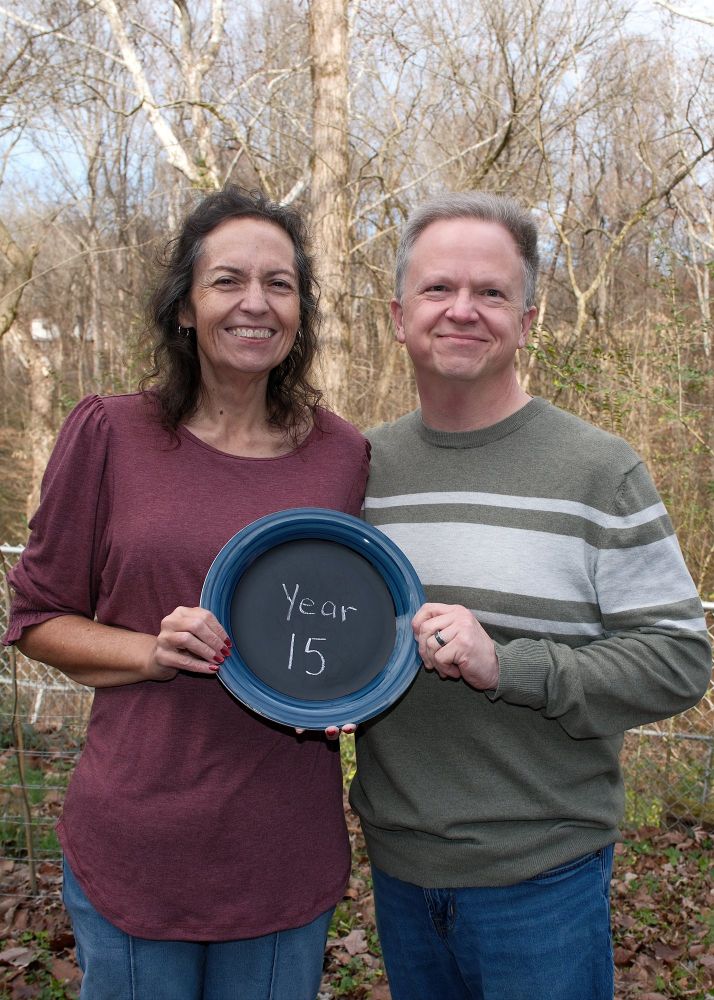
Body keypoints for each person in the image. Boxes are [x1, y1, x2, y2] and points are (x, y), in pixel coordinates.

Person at [3, 186, 370, 1000]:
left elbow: (349, 621)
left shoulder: (342, 454)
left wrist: (356, 682)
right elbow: (35, 619)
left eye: (281, 284)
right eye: (228, 280)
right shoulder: (109, 432)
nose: (256, 303)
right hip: (139, 845)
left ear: (301, 311)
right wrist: (149, 650)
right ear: (184, 308)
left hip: (283, 848)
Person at [349, 191, 712, 1000]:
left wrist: (509, 666)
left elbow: (681, 658)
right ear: (397, 313)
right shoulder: (355, 469)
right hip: (401, 869)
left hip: (542, 878)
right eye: (438, 289)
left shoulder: (597, 470)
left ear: (530, 316)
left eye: (492, 292)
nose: (463, 311)